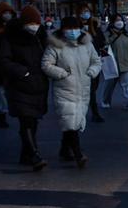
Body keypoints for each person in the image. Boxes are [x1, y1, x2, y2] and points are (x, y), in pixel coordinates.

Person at [42, 16, 102, 168]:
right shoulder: (55, 45)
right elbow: (46, 64)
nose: (73, 32)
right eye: (69, 29)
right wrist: (61, 73)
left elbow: (96, 61)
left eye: (75, 28)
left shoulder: (87, 44)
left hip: (83, 89)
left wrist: (92, 71)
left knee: (74, 120)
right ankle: (78, 154)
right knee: (70, 120)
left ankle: (64, 149)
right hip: (64, 89)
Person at [0, 6, 49, 170]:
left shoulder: (40, 37)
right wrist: (22, 72)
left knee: (32, 122)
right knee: (26, 120)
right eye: (31, 23)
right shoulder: (10, 37)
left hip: (38, 85)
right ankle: (34, 154)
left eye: (37, 23)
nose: (34, 26)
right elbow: (3, 61)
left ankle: (25, 154)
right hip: (19, 85)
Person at [78, 4, 108, 123]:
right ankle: (93, 113)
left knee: (93, 88)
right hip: (80, 63)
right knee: (88, 89)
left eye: (87, 11)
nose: (85, 13)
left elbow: (102, 43)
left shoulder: (95, 27)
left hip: (95, 62)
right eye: (83, 11)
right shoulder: (75, 27)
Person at [101, 14, 128, 111]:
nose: (119, 22)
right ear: (112, 22)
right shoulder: (107, 34)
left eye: (121, 20)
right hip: (112, 65)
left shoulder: (127, 35)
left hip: (126, 64)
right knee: (109, 85)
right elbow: (104, 46)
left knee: (127, 84)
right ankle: (105, 101)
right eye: (117, 20)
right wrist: (113, 36)